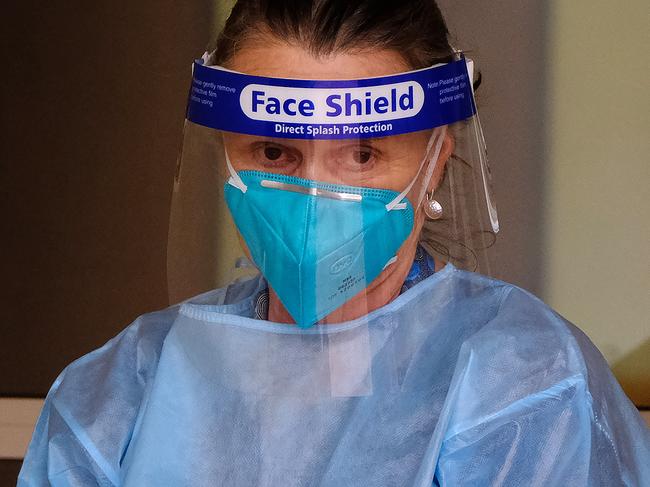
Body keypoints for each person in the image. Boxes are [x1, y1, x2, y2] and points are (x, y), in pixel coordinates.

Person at [19, 0, 649, 485]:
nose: (316, 201)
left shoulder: (524, 388)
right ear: (225, 160)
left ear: (434, 162)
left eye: (363, 154)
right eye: (274, 152)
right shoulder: (118, 394)